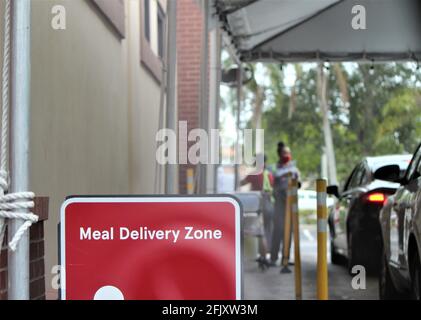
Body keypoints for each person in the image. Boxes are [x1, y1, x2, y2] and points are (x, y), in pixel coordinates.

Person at [240, 155, 274, 269]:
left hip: (258, 205)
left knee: (259, 232)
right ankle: (265, 256)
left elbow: (241, 183)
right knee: (266, 231)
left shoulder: (255, 174)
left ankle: (263, 257)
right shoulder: (268, 174)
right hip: (269, 205)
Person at [270, 143, 300, 267]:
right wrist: (283, 175)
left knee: (289, 231)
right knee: (278, 230)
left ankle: (285, 258)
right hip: (279, 204)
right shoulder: (274, 168)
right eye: (284, 153)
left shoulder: (294, 169)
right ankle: (273, 258)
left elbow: (298, 183)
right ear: (280, 154)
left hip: (291, 203)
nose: (287, 155)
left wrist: (295, 180)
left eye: (288, 153)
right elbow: (273, 180)